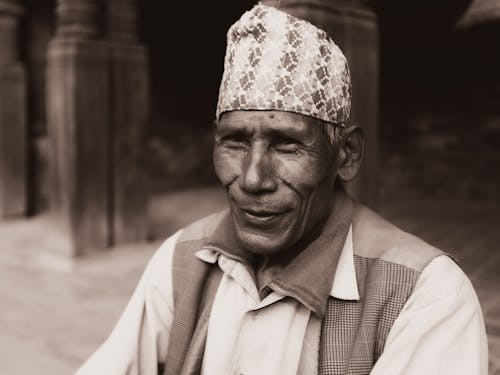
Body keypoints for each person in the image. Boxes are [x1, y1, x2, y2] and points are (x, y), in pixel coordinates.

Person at [76, 3, 488, 375]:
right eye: (234, 142)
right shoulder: (182, 259)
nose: (253, 179)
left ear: (346, 154)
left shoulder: (427, 297)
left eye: (287, 145)